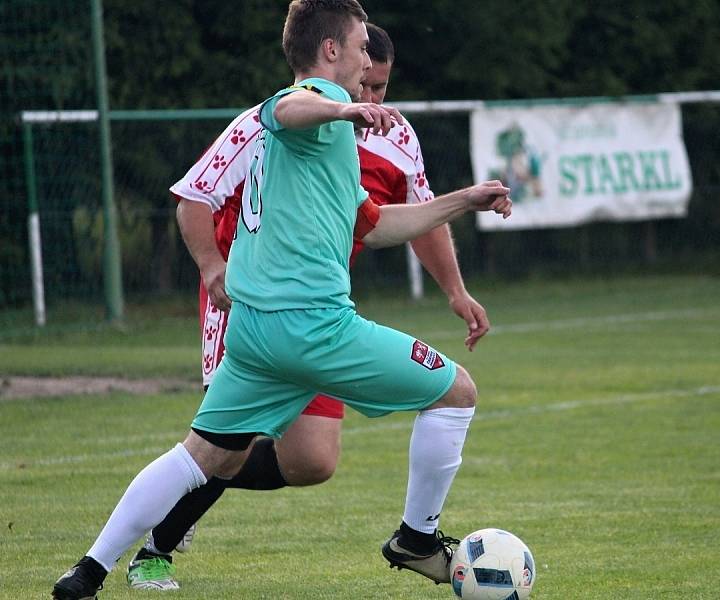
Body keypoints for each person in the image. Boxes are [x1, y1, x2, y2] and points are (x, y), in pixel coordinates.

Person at [51, 2, 511, 598]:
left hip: (254, 336)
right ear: (329, 52)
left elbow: (371, 225)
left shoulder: (336, 137)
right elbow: (289, 107)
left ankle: (86, 573)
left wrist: (464, 199)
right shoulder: (312, 103)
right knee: (456, 393)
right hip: (314, 328)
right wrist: (344, 106)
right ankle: (416, 540)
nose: (368, 58)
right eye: (359, 47)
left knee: (201, 458)